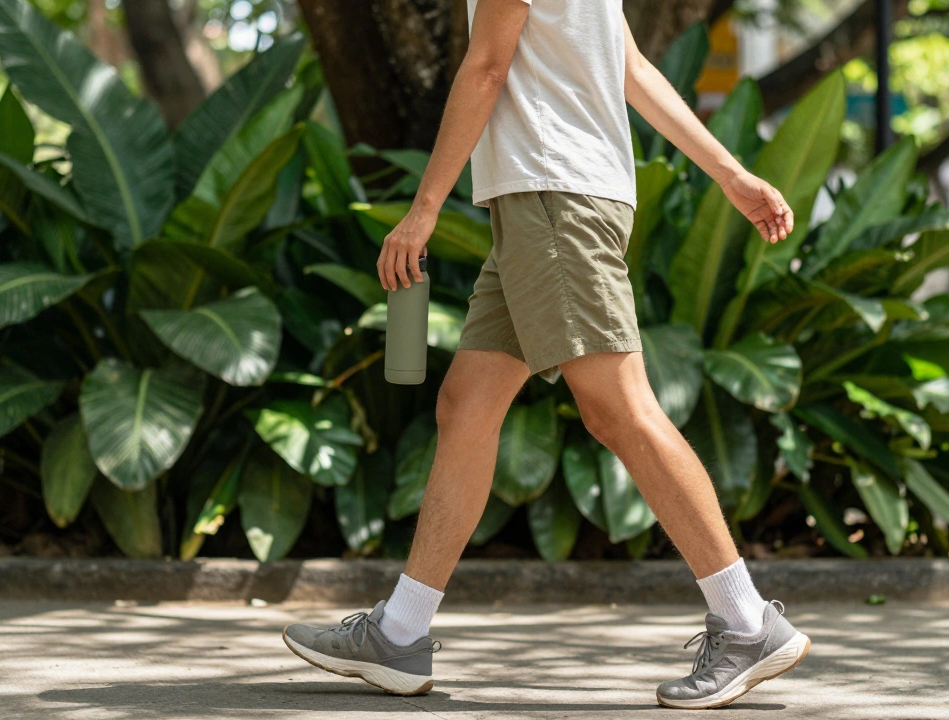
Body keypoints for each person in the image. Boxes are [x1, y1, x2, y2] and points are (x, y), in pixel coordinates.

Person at [282, 0, 809, 709]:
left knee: (618, 409)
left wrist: (424, 208)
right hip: (549, 200)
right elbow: (631, 67)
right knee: (466, 404)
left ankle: (747, 622)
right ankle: (400, 634)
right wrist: (731, 173)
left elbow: (487, 66)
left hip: (554, 199)